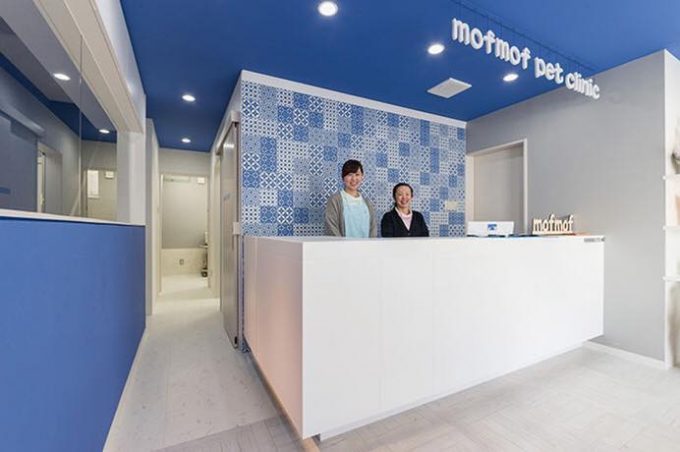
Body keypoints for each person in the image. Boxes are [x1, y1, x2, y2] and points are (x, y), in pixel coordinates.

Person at [324, 159, 377, 237]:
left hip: (366, 245)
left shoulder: (367, 202)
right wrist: (342, 244)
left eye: (357, 174)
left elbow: (373, 229)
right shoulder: (335, 200)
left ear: (362, 176)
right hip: (342, 244)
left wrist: (370, 244)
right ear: (343, 177)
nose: (354, 179)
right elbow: (331, 227)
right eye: (350, 175)